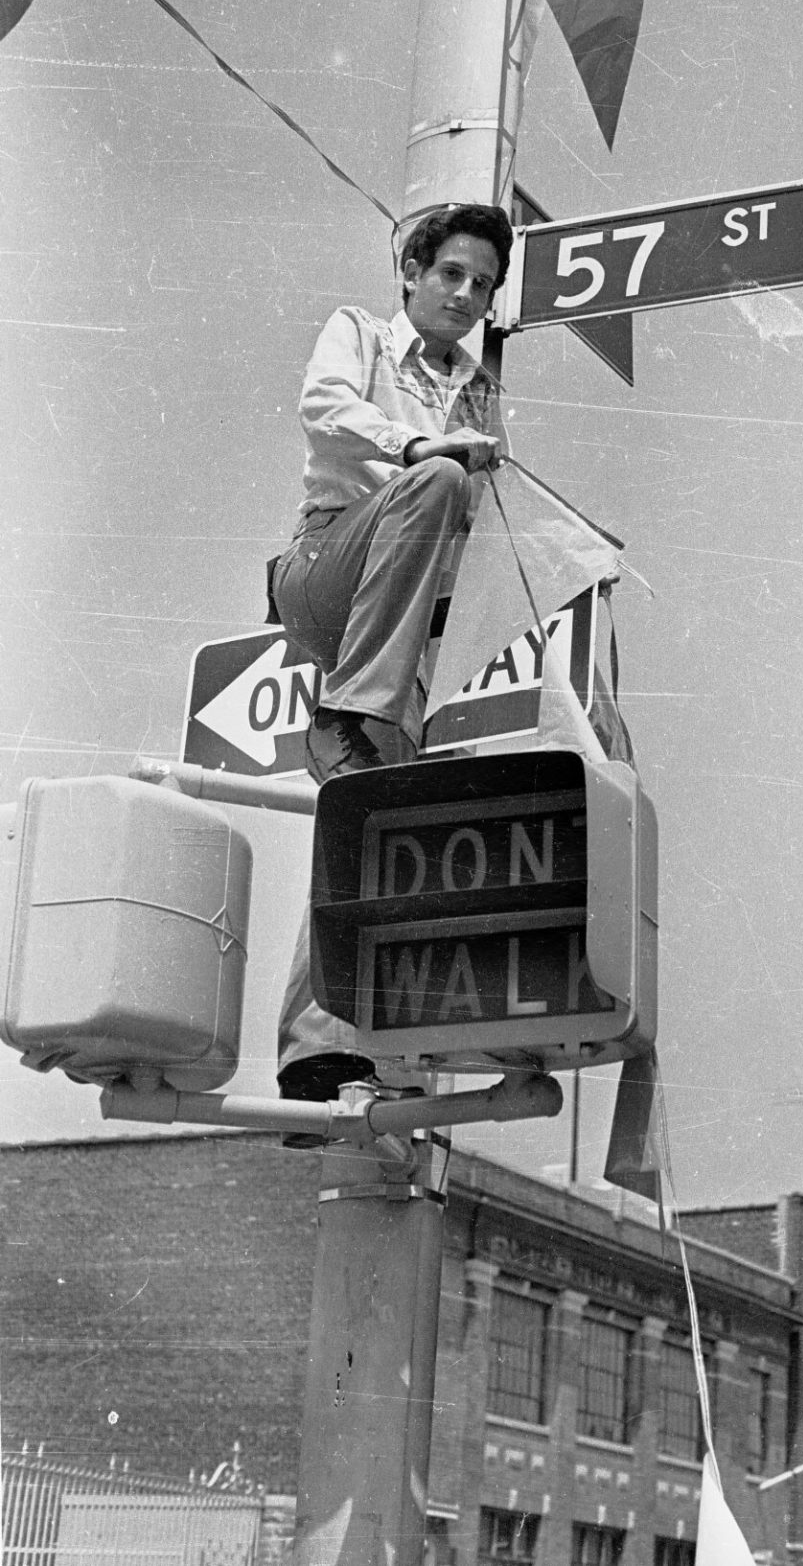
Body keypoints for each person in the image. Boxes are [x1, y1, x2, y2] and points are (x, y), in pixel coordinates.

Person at [269, 202, 513, 1114]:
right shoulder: (361, 333)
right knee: (438, 476)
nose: (466, 295)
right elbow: (325, 409)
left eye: (483, 284)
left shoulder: (479, 389)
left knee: (374, 815)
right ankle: (361, 707)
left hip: (403, 621)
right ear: (412, 272)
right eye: (451, 273)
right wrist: (418, 445)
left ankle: (321, 1052)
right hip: (327, 569)